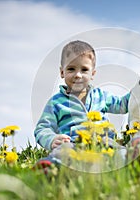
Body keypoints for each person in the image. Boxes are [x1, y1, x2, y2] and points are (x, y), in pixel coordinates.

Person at [33, 40, 131, 171]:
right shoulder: (56, 102)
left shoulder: (101, 96)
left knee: (119, 151)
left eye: (84, 70)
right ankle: (48, 168)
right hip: (73, 144)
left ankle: (134, 158)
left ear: (92, 74)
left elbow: (122, 105)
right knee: (63, 151)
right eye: (71, 69)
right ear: (62, 72)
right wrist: (51, 139)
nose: (78, 75)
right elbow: (42, 128)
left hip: (103, 142)